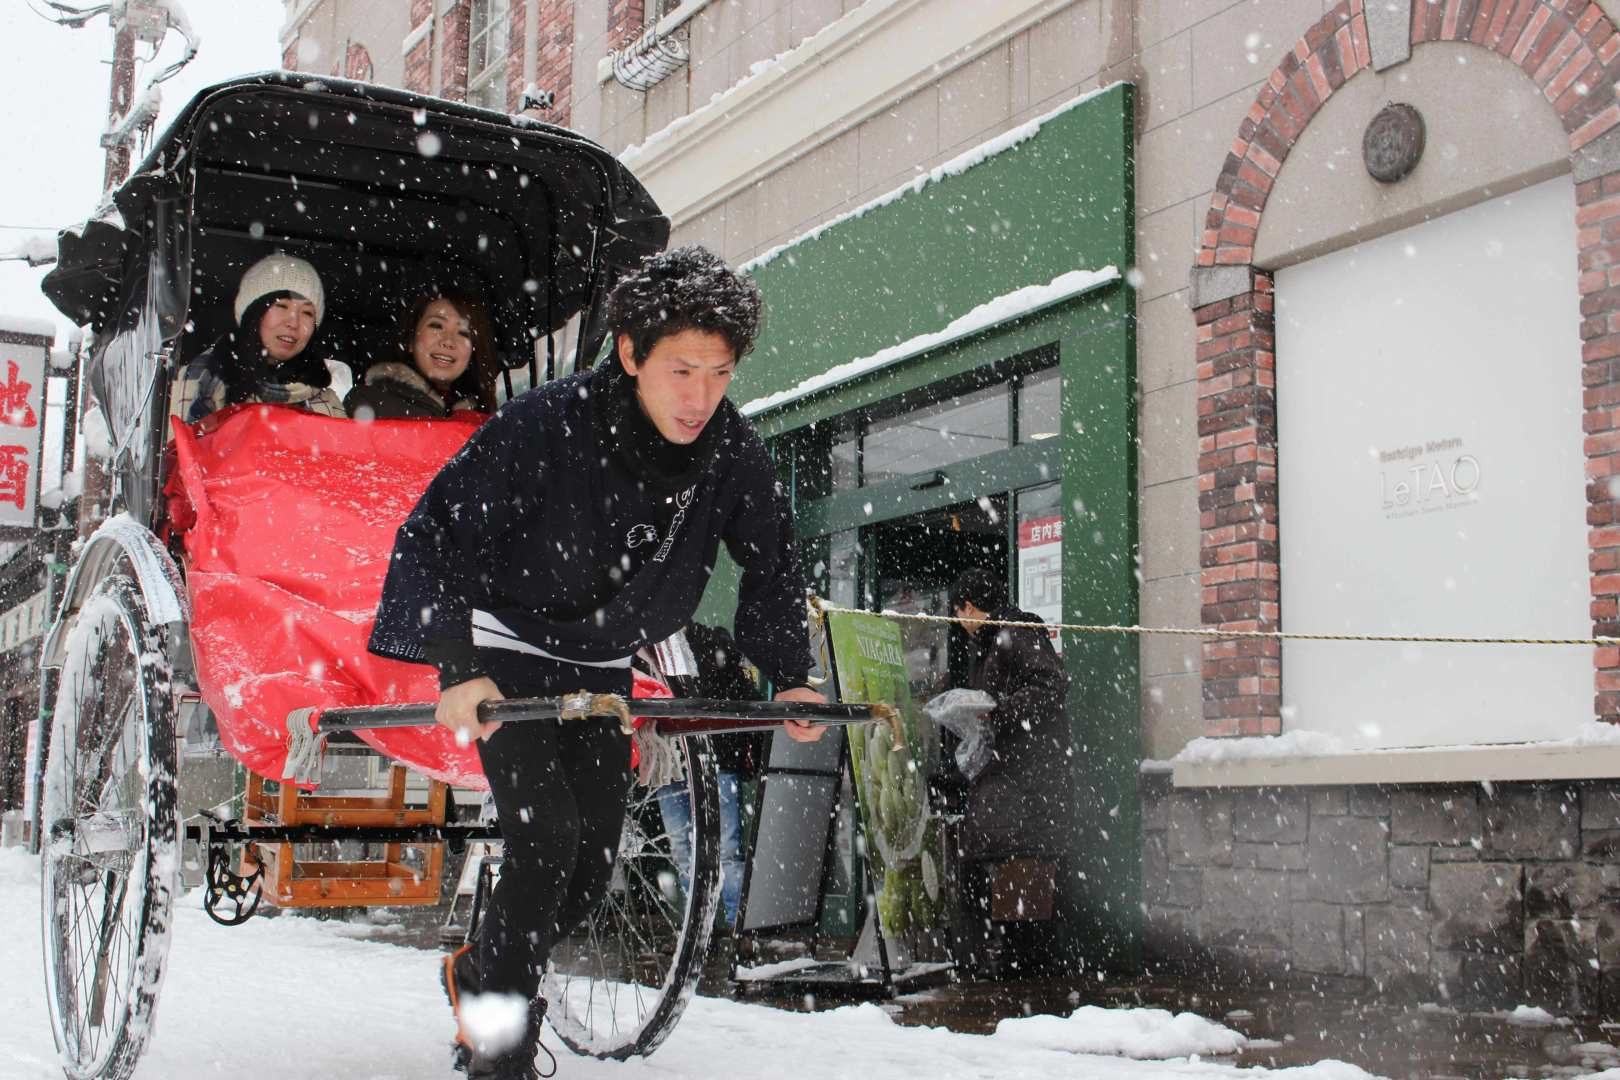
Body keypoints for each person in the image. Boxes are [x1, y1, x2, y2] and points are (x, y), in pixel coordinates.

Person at [367, 245, 824, 1080]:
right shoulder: (547, 423)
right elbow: (432, 537)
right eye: (681, 371)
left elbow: (772, 559)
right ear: (629, 353)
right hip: (509, 650)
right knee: (546, 844)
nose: (701, 397)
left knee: (586, 872)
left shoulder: (730, 449)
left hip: (604, 664)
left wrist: (788, 672)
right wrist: (457, 665)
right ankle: (498, 1049)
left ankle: (479, 975)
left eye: (719, 374)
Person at [948, 567, 1069, 972]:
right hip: (1007, 782)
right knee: (996, 872)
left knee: (1015, 873)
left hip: (1025, 782)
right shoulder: (990, 644)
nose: (959, 624)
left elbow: (1050, 687)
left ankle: (1019, 971)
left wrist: (996, 713)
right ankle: (1008, 966)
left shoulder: (1014, 633)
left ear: (967, 607)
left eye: (958, 612)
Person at [653, 622, 768, 930]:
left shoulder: (694, 646)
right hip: (686, 760)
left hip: (688, 759)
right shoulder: (706, 646)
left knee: (703, 847)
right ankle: (717, 924)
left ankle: (715, 924)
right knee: (708, 847)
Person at [170, 253, 345, 423]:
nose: (294, 322)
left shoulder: (328, 404)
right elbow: (177, 448)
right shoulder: (200, 381)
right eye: (281, 306)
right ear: (254, 314)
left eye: (307, 312)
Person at [346, 290, 499, 419]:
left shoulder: (488, 419)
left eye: (464, 333)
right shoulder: (369, 401)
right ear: (410, 341)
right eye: (437, 326)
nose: (448, 341)